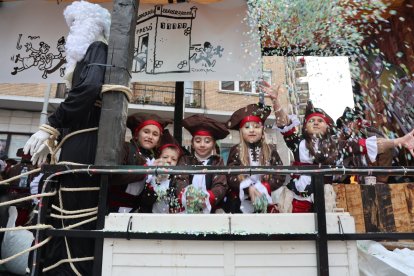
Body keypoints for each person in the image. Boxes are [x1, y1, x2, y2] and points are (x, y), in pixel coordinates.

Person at [22, 1, 110, 274]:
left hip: (85, 140)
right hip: (78, 137)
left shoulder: (97, 47)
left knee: (74, 208)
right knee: (64, 206)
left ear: (89, 25)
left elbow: (89, 89)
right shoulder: (91, 52)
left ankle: (70, 269)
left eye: (75, 24)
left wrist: (52, 124)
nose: (71, 31)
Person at [263, 82, 414, 212]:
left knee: (327, 232)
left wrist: (399, 141)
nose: (315, 122)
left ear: (327, 127)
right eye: (311, 121)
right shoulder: (298, 142)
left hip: (324, 197)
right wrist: (275, 100)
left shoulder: (338, 145)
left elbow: (372, 144)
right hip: (296, 196)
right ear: (305, 127)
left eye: (320, 121)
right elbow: (284, 124)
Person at [225, 103, 285, 213]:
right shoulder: (236, 150)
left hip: (266, 198)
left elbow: (280, 174)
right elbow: (231, 176)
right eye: (247, 127)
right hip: (240, 202)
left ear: (262, 131)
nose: (252, 130)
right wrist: (248, 188)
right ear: (241, 132)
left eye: (256, 126)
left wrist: (265, 186)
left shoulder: (270, 150)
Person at [109, 113, 172, 213]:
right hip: (112, 211)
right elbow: (113, 176)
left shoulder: (155, 159)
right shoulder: (126, 148)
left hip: (137, 213)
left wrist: (158, 182)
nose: (150, 137)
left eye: (155, 134)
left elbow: (148, 200)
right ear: (137, 134)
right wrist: (146, 170)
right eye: (146, 132)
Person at [174, 114, 229, 214]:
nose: (202, 145)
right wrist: (188, 196)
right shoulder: (185, 160)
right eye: (198, 141)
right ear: (192, 144)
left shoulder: (217, 162)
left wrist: (207, 197)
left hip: (210, 210)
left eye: (207, 141)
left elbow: (220, 185)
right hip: (185, 209)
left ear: (213, 145)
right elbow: (180, 179)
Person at [336, 107, 393, 183]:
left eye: (349, 122)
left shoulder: (370, 134)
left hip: (380, 182)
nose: (346, 126)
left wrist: (381, 180)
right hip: (360, 184)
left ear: (357, 121)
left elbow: (386, 150)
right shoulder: (347, 142)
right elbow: (342, 171)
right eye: (344, 125)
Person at [146, 129, 182, 213]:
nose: (169, 161)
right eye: (165, 157)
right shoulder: (151, 176)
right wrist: (157, 181)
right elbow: (146, 201)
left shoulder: (177, 179)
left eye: (173, 159)